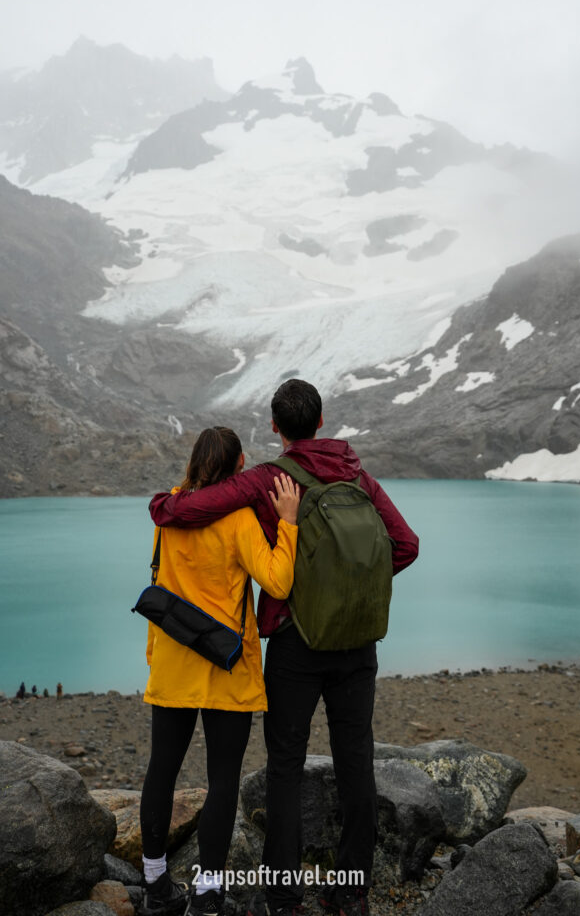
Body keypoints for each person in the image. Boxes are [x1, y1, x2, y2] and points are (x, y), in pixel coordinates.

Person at [150, 380, 419, 916]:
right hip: (357, 645)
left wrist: (163, 506)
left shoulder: (269, 479)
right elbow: (406, 545)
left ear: (276, 427)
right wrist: (347, 594)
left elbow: (201, 505)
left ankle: (283, 897)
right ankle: (351, 893)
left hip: (296, 644)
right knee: (356, 762)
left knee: (286, 767)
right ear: (321, 422)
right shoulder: (358, 475)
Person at [141, 426, 300, 916]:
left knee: (161, 772)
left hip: (172, 660)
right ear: (238, 467)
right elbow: (277, 578)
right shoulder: (238, 518)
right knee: (223, 780)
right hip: (225, 667)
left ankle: (154, 884)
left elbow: (158, 577)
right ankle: (208, 894)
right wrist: (288, 522)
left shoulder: (169, 510)